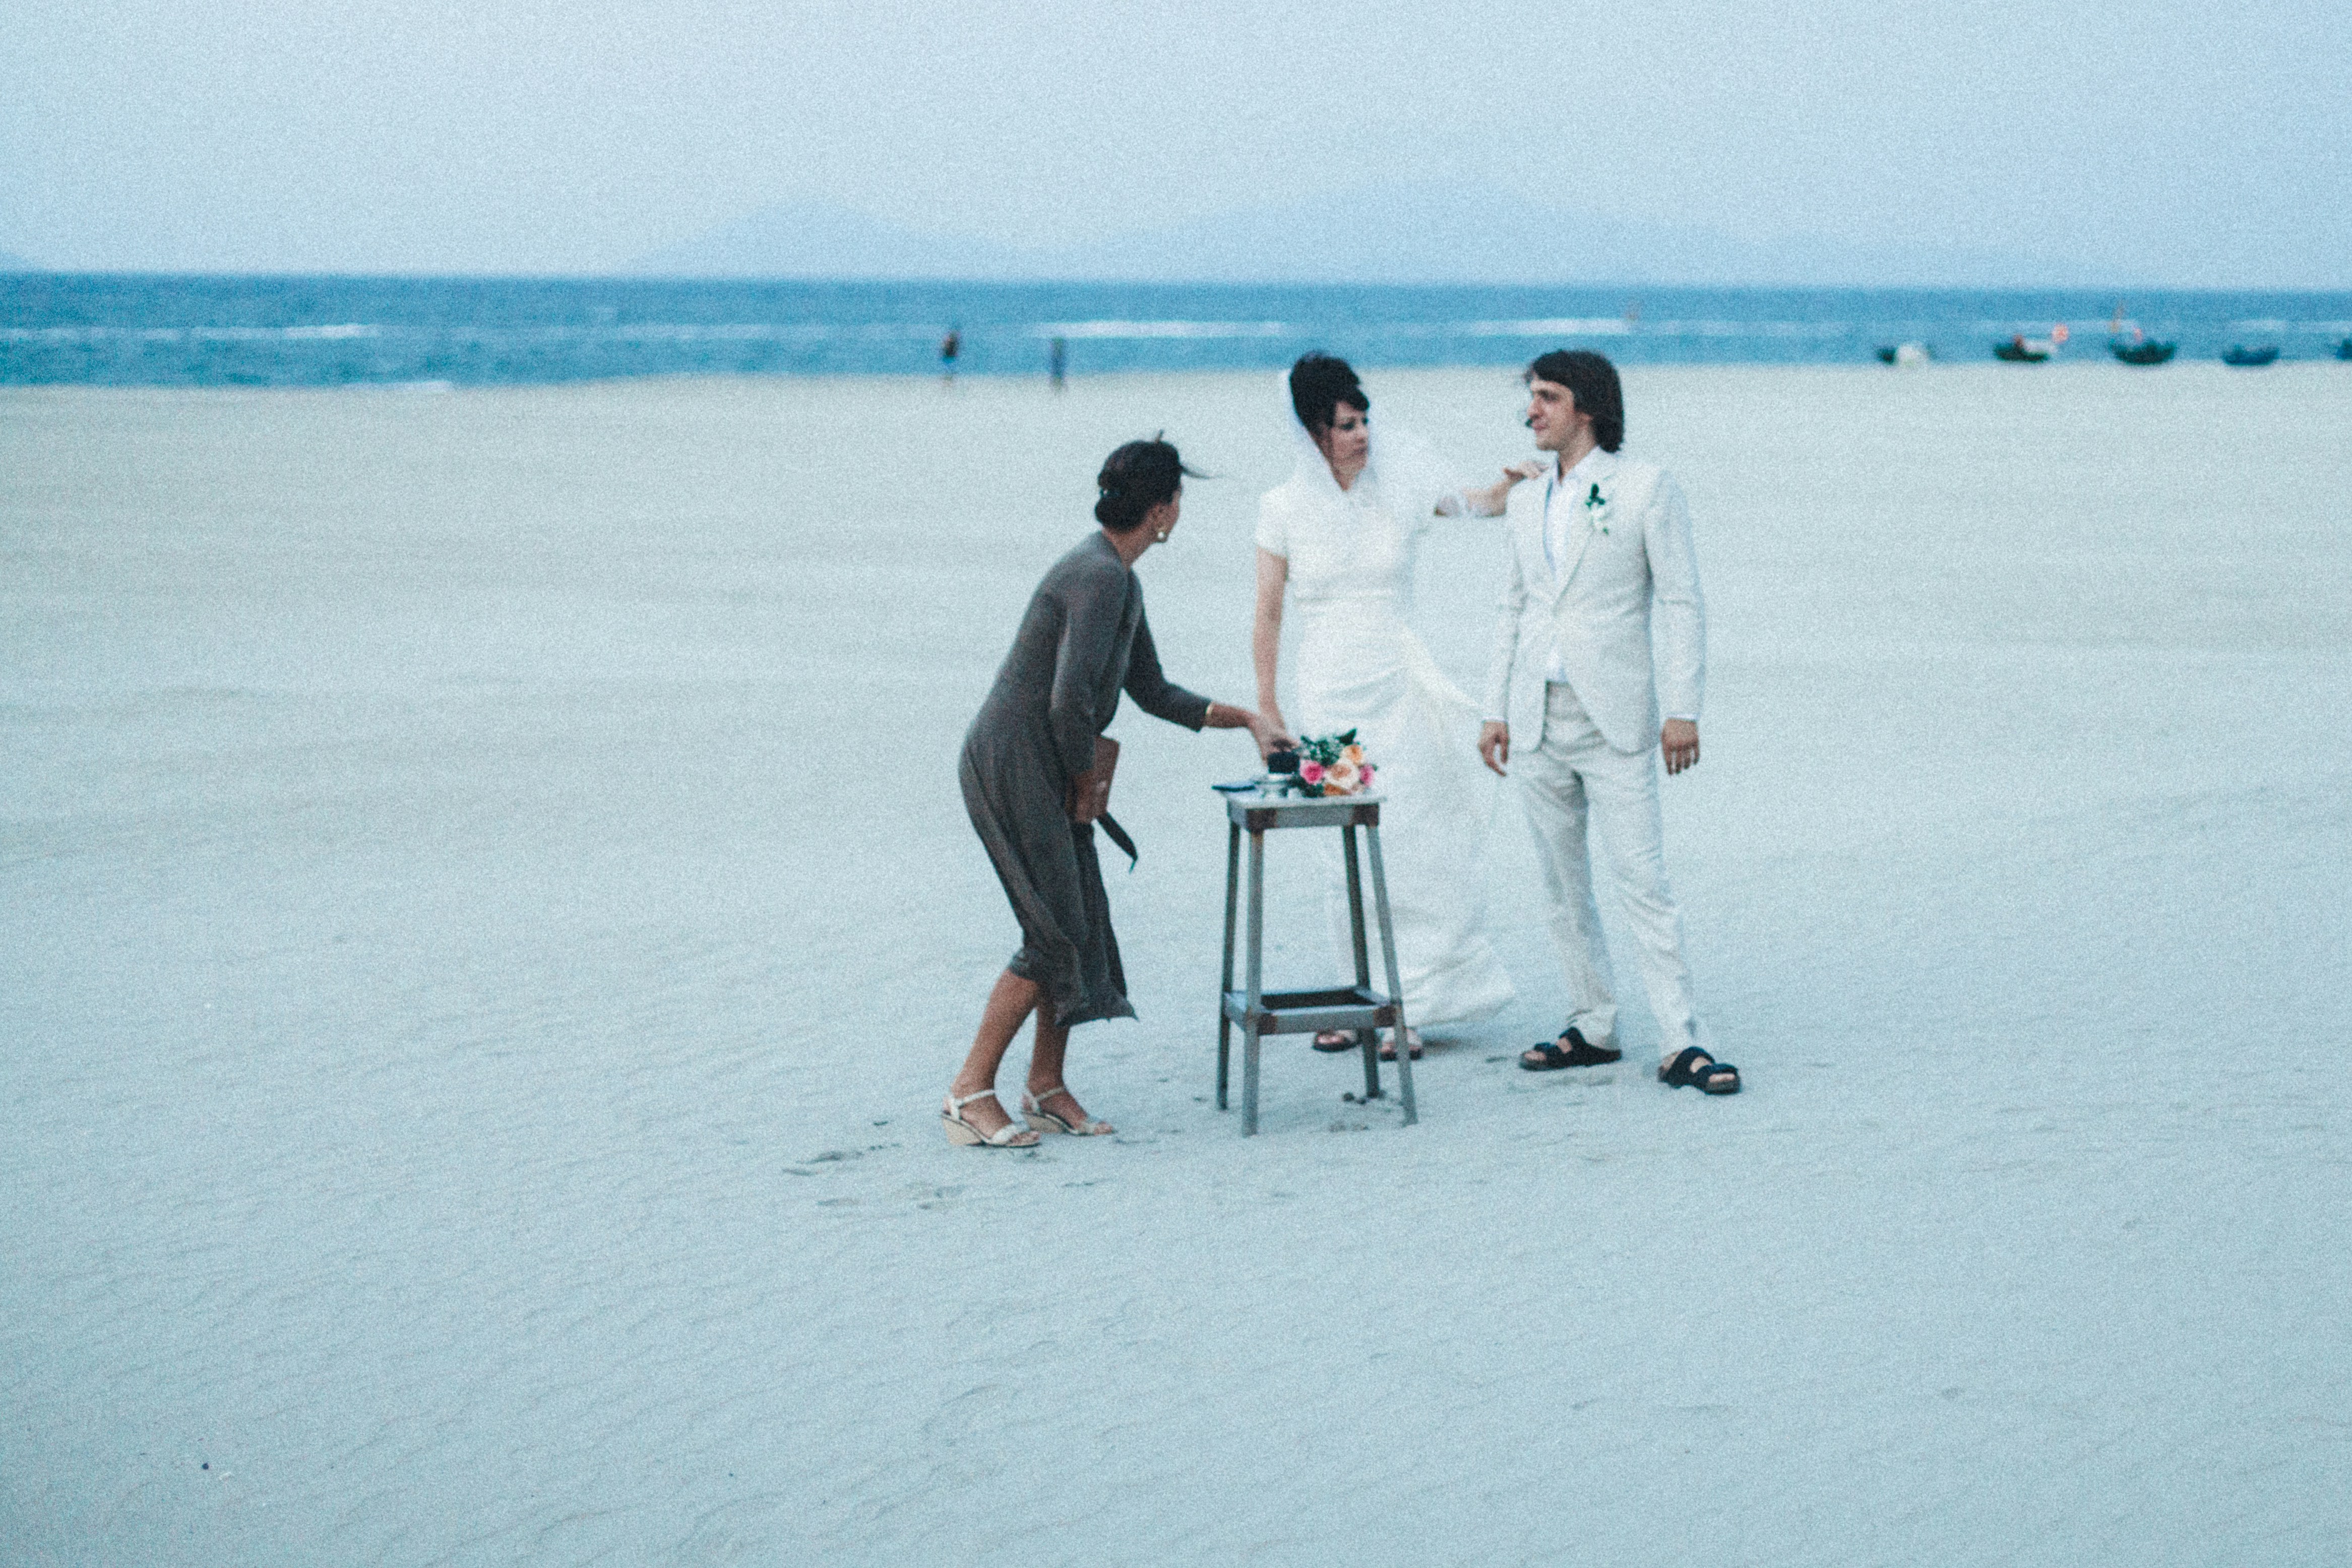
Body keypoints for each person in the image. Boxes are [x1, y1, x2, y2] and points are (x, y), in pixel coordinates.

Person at [950, 438, 1290, 1147]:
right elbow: (1068, 700)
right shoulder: (1098, 577)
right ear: (1163, 510)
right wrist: (1084, 779)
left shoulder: (1117, 578)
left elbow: (1152, 691)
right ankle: (968, 1091)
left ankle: (1046, 1088)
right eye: (1178, 502)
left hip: (1046, 761)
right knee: (1049, 934)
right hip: (1015, 760)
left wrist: (1248, 721)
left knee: (1074, 928)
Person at [1479, 350, 1739, 1094]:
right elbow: (1514, 608)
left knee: (1642, 882)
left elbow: (1682, 601)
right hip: (1535, 716)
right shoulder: (1525, 500)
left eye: (1546, 398)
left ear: (1586, 409)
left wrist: (1682, 710)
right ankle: (1591, 1023)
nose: (1532, 411)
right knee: (1561, 887)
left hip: (1618, 716)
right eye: (1530, 397)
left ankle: (1683, 1040)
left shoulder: (1645, 488)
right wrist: (1493, 709)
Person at [1253, 353, 1525, 1061]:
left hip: (1398, 683)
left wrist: (1508, 484)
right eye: (1346, 425)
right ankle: (1355, 996)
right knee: (1339, 841)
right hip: (1325, 694)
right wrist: (1267, 710)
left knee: (1410, 838)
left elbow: (1473, 505)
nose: (1362, 435)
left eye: (1365, 419)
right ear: (1314, 432)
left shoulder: (1400, 481)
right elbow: (1268, 616)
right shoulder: (1281, 507)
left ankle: (1412, 1001)